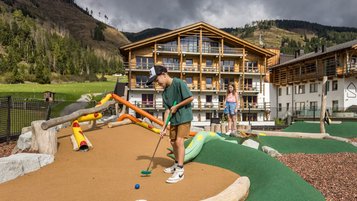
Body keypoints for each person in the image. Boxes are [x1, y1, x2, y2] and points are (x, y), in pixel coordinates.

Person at [146, 65, 193, 184]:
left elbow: (190, 98)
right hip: (174, 119)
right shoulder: (165, 93)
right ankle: (176, 164)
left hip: (184, 117)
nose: (157, 83)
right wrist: (163, 128)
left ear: (164, 74)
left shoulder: (178, 83)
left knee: (179, 141)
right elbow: (167, 111)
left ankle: (180, 170)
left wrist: (177, 106)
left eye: (157, 80)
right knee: (172, 142)